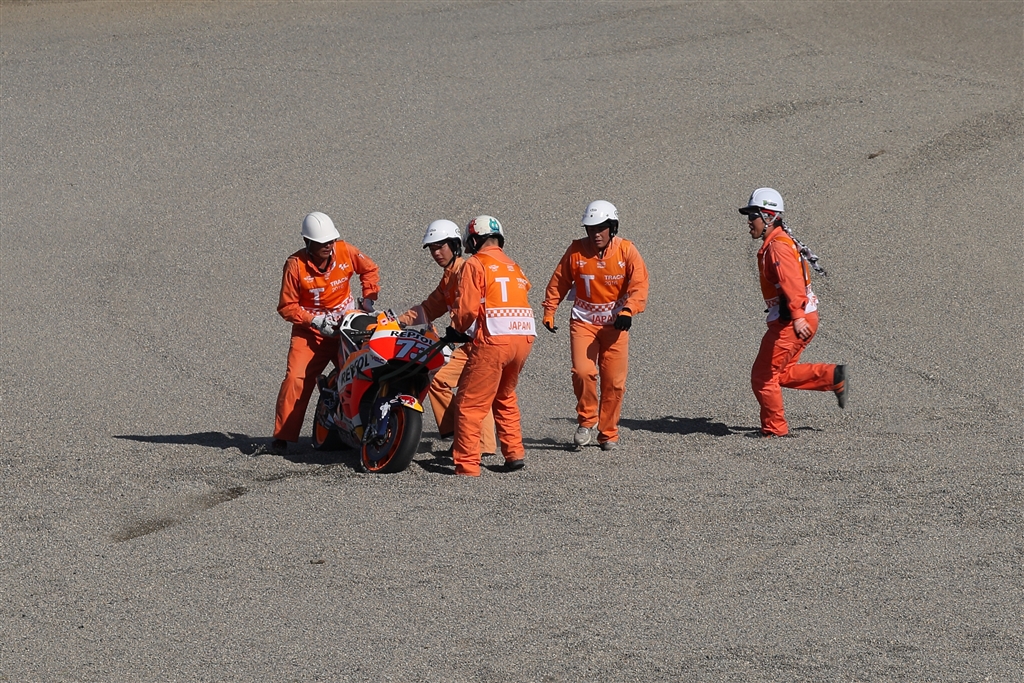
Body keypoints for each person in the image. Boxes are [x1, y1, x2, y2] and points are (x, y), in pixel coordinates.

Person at [542, 200, 649, 451]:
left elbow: (640, 285)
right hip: (584, 323)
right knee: (582, 372)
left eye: (601, 228)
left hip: (616, 326)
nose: (595, 234)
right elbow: (559, 281)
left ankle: (608, 432)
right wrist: (549, 309)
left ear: (612, 227)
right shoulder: (576, 251)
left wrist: (628, 310)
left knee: (614, 382)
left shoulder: (627, 250)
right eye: (591, 229)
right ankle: (586, 420)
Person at [739, 188, 847, 438]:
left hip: (792, 321)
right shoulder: (780, 241)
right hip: (802, 317)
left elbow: (792, 284)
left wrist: (797, 317)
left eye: (752, 216)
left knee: (763, 377)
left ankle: (774, 429)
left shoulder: (777, 247)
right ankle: (834, 377)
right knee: (782, 372)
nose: (748, 221)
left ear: (768, 217)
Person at [271, 211, 380, 453]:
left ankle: (366, 428)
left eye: (331, 241)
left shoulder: (345, 250)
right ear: (307, 242)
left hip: (348, 328)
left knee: (364, 373)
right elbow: (286, 306)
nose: (328, 246)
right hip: (311, 334)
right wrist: (314, 321)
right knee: (295, 379)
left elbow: (369, 269)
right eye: (322, 243)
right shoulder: (295, 265)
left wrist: (369, 298)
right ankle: (282, 436)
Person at [397, 220, 497, 456]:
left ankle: (480, 444)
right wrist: (396, 320)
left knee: (473, 392)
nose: (436, 253)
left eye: (440, 247)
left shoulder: (467, 270)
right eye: (432, 249)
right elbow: (429, 308)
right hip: (468, 345)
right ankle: (461, 435)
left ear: (455, 246)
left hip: (483, 344)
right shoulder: (448, 277)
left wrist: (458, 328)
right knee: (437, 380)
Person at [445, 215, 535, 476]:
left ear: (474, 240)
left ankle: (467, 464)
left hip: (494, 340)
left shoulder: (475, 264)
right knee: (505, 396)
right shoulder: (514, 266)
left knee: (469, 404)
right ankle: (514, 453)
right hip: (523, 339)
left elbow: (466, 308)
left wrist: (457, 329)